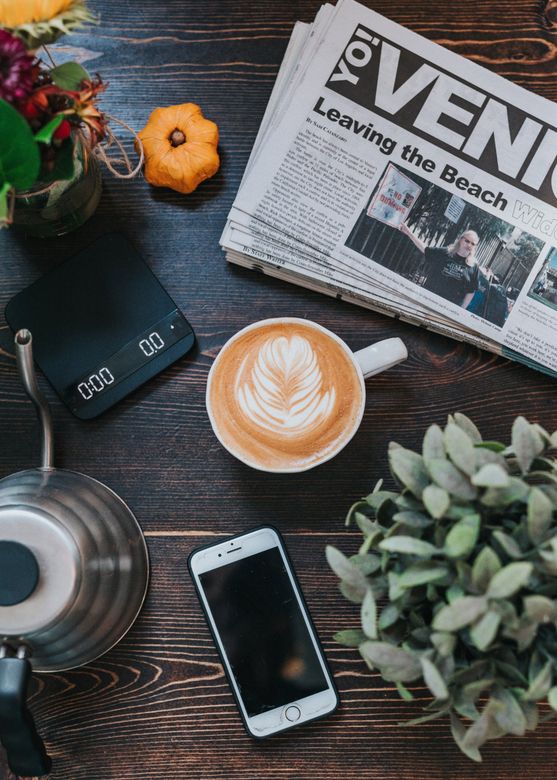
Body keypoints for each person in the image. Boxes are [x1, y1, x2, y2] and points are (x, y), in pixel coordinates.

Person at [399, 223, 480, 308]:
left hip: (449, 308)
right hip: (428, 299)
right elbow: (425, 249)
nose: (469, 245)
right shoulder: (446, 252)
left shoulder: (473, 267)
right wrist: (409, 233)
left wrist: (462, 310)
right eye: (467, 241)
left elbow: (471, 291)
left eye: (473, 243)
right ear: (460, 240)